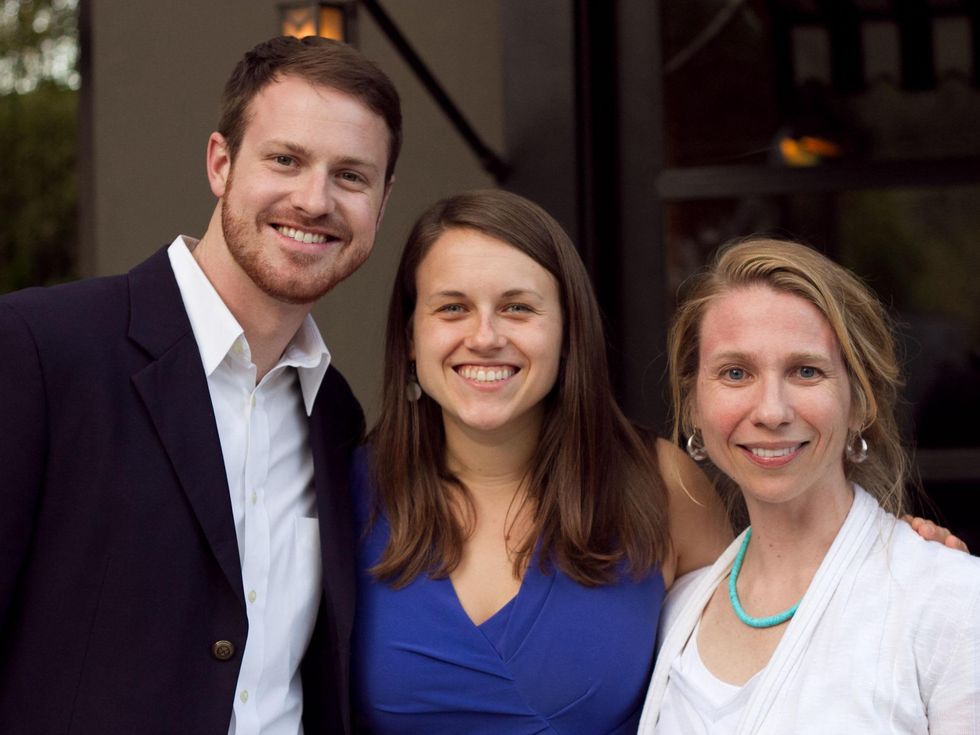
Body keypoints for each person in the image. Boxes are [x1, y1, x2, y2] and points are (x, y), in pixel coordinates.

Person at [0, 36, 399, 735]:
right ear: (221, 163)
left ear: (381, 203)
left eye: (351, 176)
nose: (314, 200)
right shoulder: (40, 348)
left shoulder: (336, 415)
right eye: (286, 159)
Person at [349, 189, 734, 733]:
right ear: (411, 335)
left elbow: (750, 686)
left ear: (568, 332)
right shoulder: (342, 494)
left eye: (518, 308)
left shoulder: (660, 484)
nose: (485, 337)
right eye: (452, 307)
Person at [638, 237, 980, 733]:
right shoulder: (674, 610)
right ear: (693, 405)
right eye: (735, 372)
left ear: (860, 402)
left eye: (806, 371)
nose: (772, 411)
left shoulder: (950, 600)